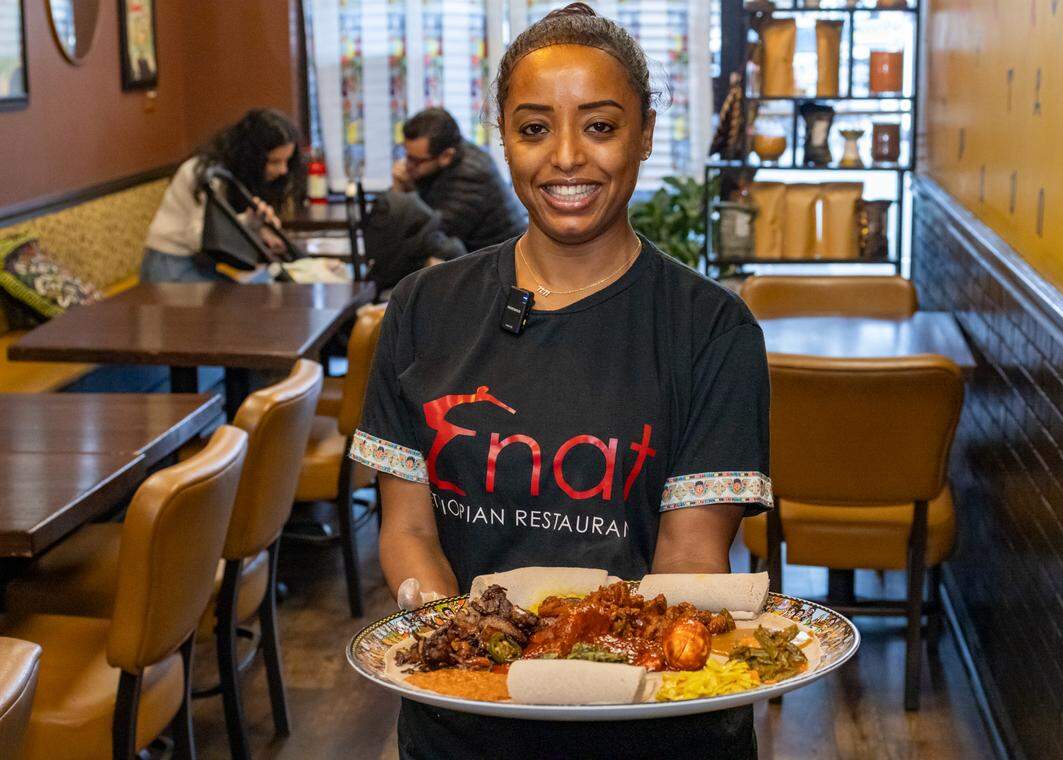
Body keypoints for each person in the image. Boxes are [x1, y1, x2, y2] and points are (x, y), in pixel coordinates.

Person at [351, 5, 771, 758]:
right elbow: (409, 531)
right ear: (504, 136)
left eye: (602, 127)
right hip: (465, 726)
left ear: (644, 132)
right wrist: (476, 656)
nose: (567, 158)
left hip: (650, 724)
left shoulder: (711, 329)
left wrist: (582, 674)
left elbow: (687, 560)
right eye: (535, 128)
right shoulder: (423, 308)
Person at [141, 108, 304, 282]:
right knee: (254, 298)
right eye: (274, 162)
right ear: (252, 157)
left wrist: (261, 232)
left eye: (286, 161)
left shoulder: (235, 173)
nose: (283, 170)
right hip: (169, 264)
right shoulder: (206, 174)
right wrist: (248, 223)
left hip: (198, 263)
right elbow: (199, 237)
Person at [391, 107, 527, 253]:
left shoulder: (470, 177)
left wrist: (402, 192)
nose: (407, 165)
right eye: (407, 155)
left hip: (501, 263)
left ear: (446, 156)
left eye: (416, 161)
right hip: (482, 256)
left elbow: (426, 234)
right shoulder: (453, 154)